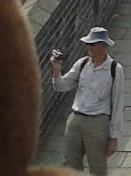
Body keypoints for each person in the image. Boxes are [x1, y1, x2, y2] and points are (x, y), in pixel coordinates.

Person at [51, 27, 125, 175]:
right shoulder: (82, 63)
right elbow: (61, 86)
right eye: (88, 44)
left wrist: (114, 138)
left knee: (97, 167)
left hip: (98, 123)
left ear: (103, 46)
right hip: (76, 119)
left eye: (92, 44)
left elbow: (118, 103)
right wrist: (56, 69)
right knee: (70, 164)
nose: (88, 47)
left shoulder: (115, 69)